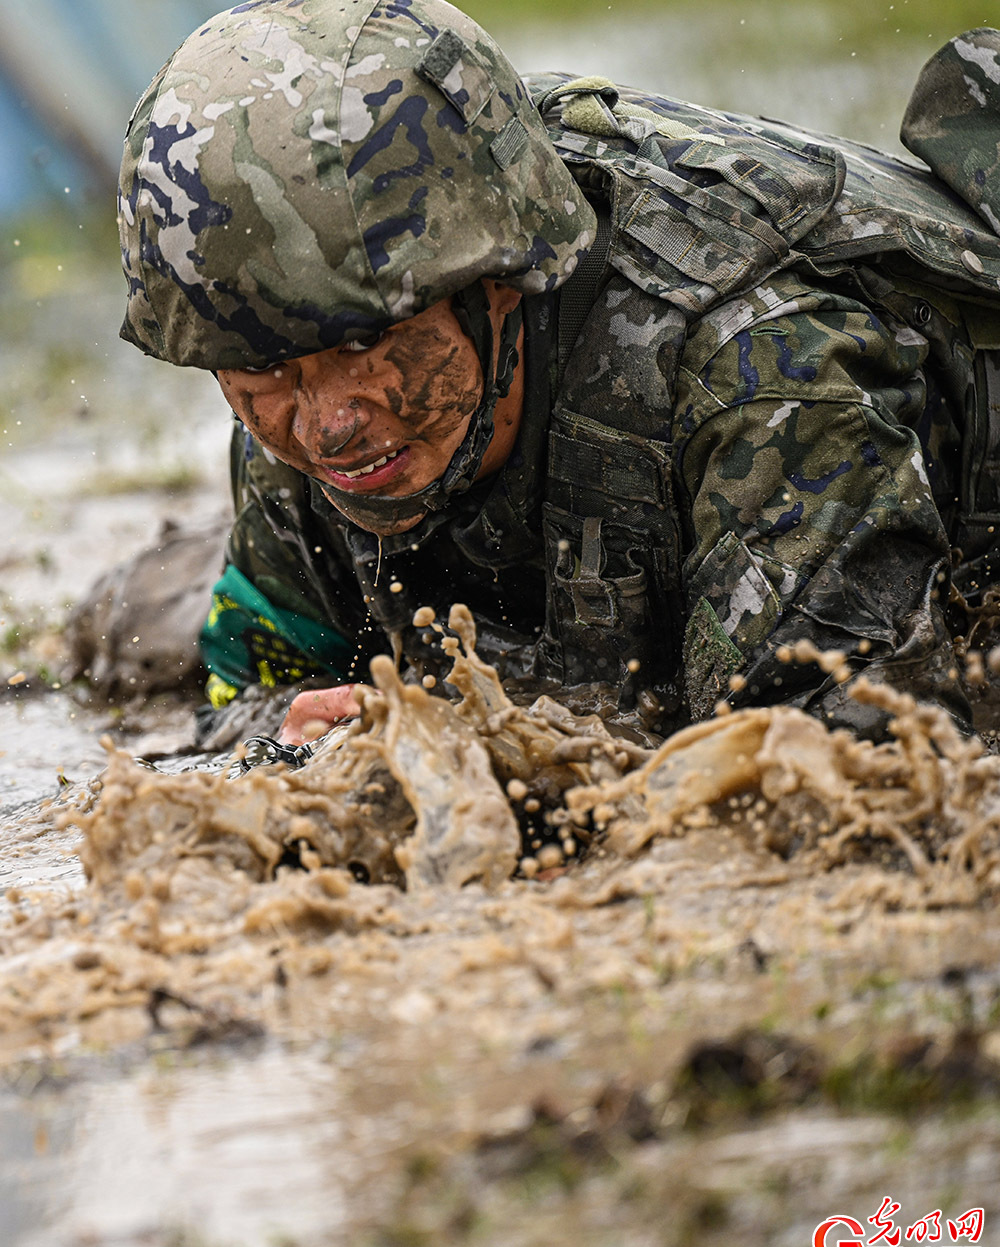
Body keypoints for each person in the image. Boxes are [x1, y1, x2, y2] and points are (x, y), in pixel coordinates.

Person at [117, 1, 1000, 747]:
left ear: (498, 284)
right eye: (264, 368)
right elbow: (243, 691)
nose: (326, 424)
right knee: (129, 630)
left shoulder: (758, 374)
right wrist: (295, 733)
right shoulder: (295, 397)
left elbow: (842, 770)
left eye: (365, 346)